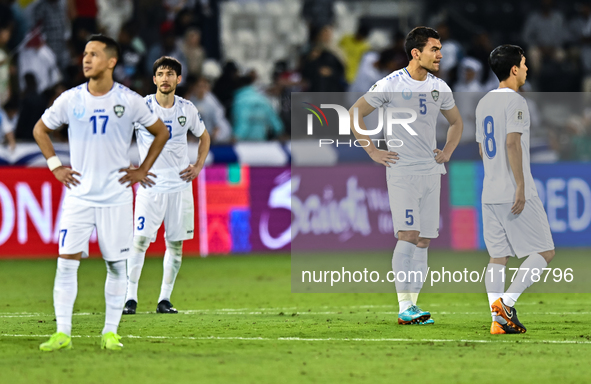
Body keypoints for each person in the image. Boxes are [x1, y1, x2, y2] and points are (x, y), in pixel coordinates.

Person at [33, 35, 169, 351]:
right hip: (79, 196)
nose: (85, 59)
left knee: (116, 265)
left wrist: (142, 169)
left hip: (116, 197)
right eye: (84, 54)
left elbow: (161, 132)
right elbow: (40, 129)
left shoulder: (129, 100)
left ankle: (110, 332)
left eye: (93, 54)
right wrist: (55, 166)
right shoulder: (70, 99)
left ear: (111, 62)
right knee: (66, 261)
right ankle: (62, 333)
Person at [349, 26, 463, 325]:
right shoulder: (390, 84)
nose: (440, 54)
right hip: (402, 170)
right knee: (408, 235)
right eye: (434, 49)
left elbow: (456, 123)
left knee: (424, 240)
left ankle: (412, 308)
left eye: (440, 49)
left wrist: (448, 151)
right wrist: (373, 151)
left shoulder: (440, 87)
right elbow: (354, 113)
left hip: (431, 170)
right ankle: (403, 306)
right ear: (416, 52)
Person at [476, 45, 555, 335]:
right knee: (545, 251)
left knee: (498, 257)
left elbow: (483, 149)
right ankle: (506, 305)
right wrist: (520, 185)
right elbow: (511, 142)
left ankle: (497, 320)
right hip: (513, 190)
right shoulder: (517, 101)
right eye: (523, 64)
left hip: (489, 190)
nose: (526, 69)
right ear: (513, 70)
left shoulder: (483, 102)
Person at [123, 56, 210, 315]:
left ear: (178, 79)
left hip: (180, 187)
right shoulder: (142, 107)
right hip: (150, 187)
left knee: (175, 245)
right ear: (154, 79)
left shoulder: (187, 109)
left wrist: (198, 165)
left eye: (170, 74)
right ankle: (130, 298)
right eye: (160, 73)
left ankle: (164, 299)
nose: (165, 78)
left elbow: (204, 137)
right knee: (139, 241)